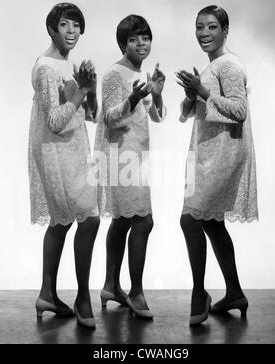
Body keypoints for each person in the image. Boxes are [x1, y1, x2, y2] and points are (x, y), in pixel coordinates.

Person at [176, 5, 258, 325]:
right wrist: (190, 94)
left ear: (225, 30)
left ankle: (199, 293)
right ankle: (235, 292)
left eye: (211, 27)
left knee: (190, 220)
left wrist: (204, 90)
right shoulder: (212, 67)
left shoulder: (230, 65)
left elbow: (239, 111)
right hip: (208, 153)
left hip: (224, 155)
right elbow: (188, 114)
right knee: (210, 223)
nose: (204, 34)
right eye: (199, 27)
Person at [28, 3, 100, 329]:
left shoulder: (66, 64)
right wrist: (80, 90)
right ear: (52, 29)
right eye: (65, 25)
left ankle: (47, 294)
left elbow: (91, 114)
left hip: (73, 150)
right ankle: (83, 297)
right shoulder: (46, 67)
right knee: (88, 219)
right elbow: (55, 121)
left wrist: (90, 88)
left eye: (76, 26)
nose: (71, 32)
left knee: (62, 222)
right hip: (55, 152)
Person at [94, 14, 166, 319]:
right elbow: (109, 117)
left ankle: (111, 286)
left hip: (136, 157)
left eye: (145, 37)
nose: (141, 43)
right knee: (143, 222)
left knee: (123, 221)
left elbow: (158, 117)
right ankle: (136, 293)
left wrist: (157, 94)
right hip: (118, 157)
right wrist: (134, 98)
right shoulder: (114, 74)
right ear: (123, 43)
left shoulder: (143, 72)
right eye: (134, 39)